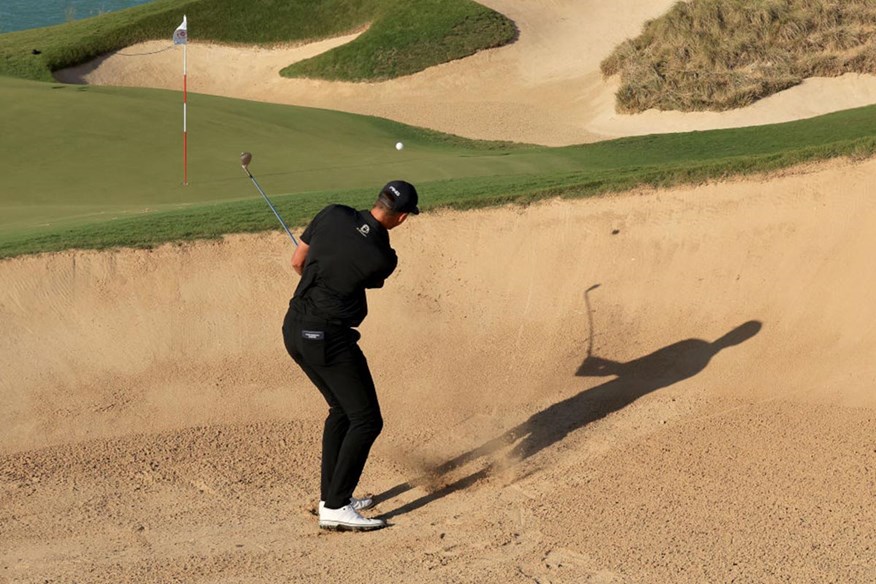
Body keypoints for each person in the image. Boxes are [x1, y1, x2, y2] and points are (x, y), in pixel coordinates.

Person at [282, 180, 419, 531]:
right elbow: (367, 266)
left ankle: (332, 496)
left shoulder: (333, 213)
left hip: (295, 328)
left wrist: (319, 271)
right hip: (328, 338)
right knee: (367, 419)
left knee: (341, 411)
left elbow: (298, 261)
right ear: (401, 218)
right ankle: (336, 508)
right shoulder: (382, 257)